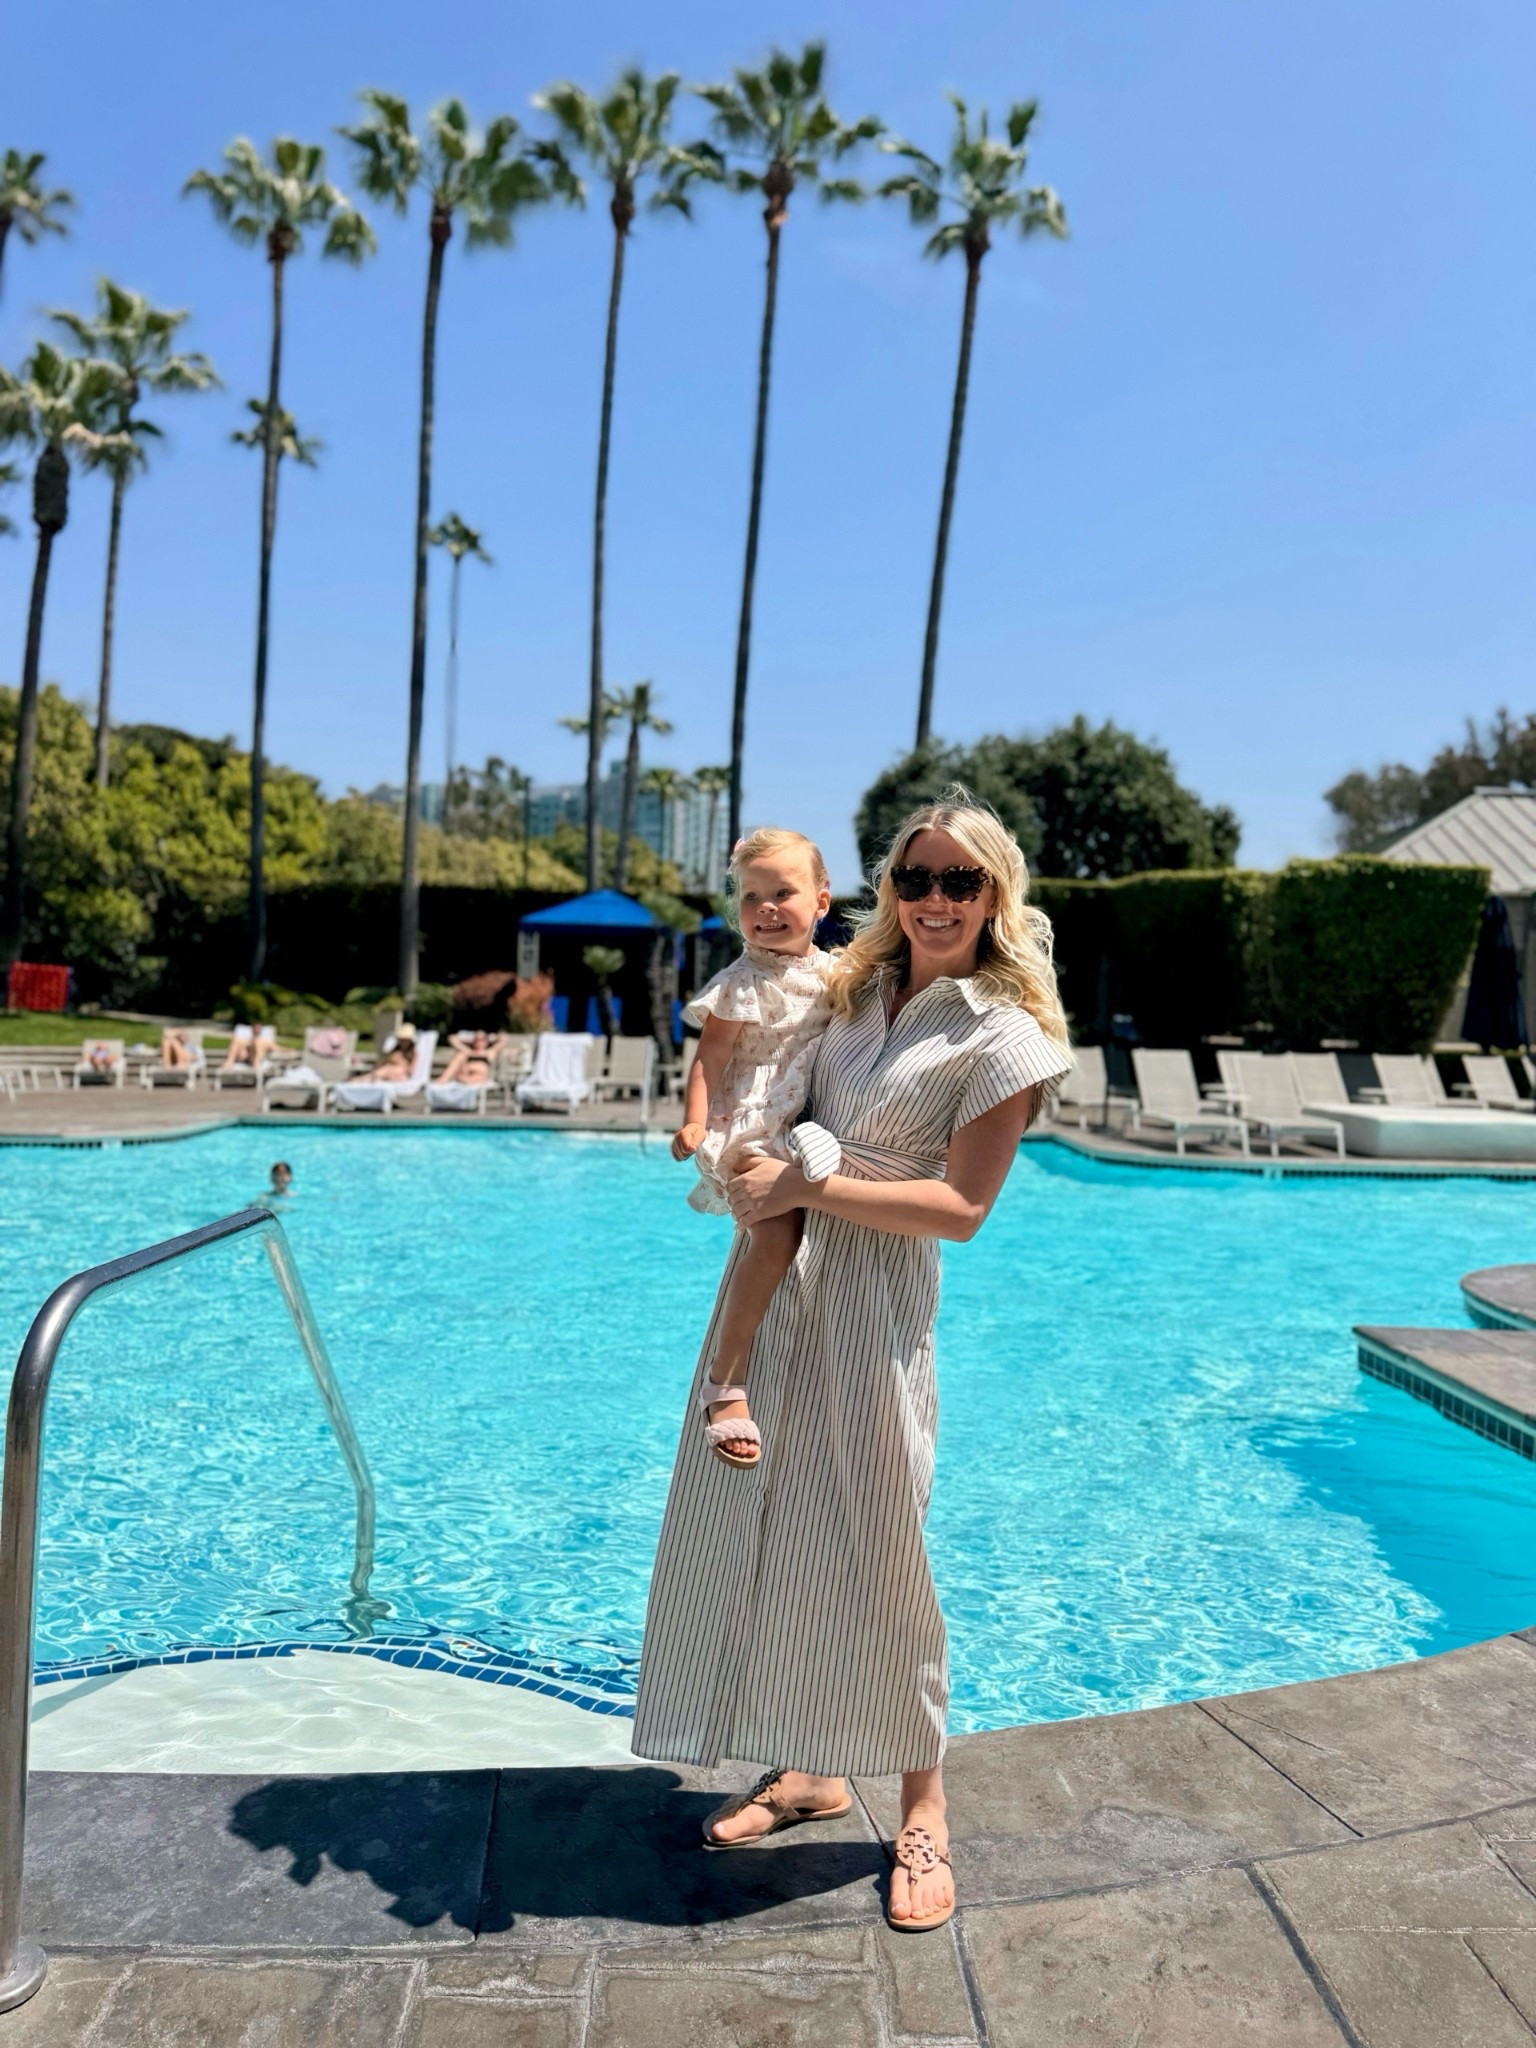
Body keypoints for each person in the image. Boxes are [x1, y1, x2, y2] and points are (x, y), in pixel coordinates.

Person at [634, 791, 1073, 1934]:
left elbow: (963, 1207)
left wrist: (809, 1186)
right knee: (773, 1523)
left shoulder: (1004, 1035)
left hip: (876, 1299)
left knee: (881, 1538)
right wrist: (727, 1145)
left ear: (994, 896)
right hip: (779, 1281)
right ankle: (816, 1765)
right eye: (916, 878)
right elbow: (750, 1069)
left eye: (958, 881)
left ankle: (923, 1805)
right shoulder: (849, 986)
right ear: (887, 891)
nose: (934, 899)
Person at [670, 828, 833, 1469]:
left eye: (782, 893)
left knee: (797, 1218)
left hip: (804, 1116)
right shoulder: (741, 982)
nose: (765, 908)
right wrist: (693, 1121)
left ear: (821, 901)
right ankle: (725, 1381)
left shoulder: (836, 973)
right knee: (776, 1234)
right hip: (753, 1121)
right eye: (751, 896)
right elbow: (709, 1057)